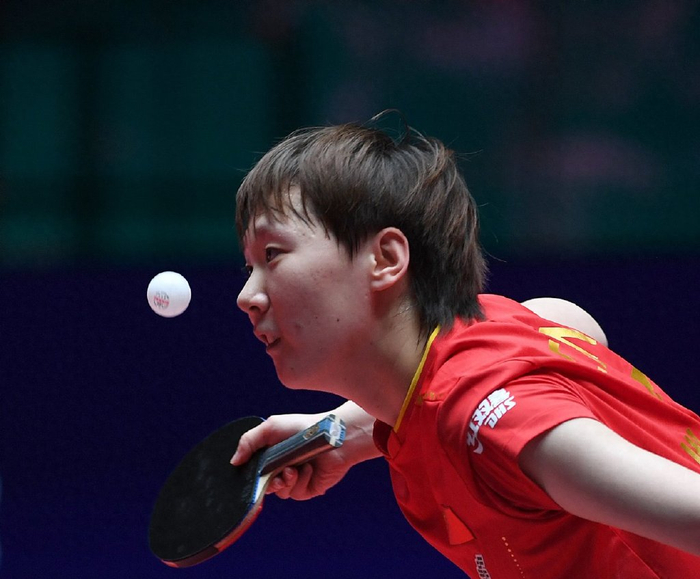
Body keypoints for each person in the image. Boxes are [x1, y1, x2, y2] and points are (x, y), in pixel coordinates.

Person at [230, 114, 700, 578]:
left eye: (273, 254)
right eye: (250, 267)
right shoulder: (481, 349)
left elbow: (503, 408)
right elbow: (568, 319)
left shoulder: (498, 426)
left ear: (386, 258)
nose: (247, 296)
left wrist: (478, 415)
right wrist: (345, 432)